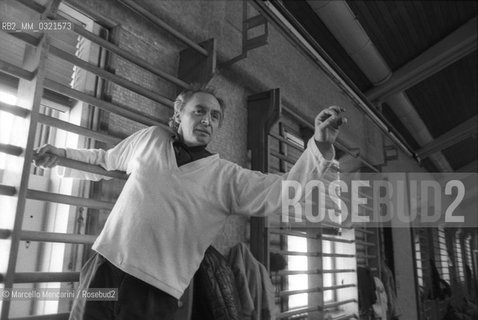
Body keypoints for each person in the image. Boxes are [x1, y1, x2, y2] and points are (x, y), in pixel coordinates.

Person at [33, 85, 347, 320]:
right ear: (178, 115)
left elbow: (283, 192)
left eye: (215, 116)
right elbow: (105, 161)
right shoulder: (151, 140)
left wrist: (318, 145)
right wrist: (61, 155)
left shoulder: (227, 177)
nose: (207, 120)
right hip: (105, 269)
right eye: (199, 111)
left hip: (158, 291)